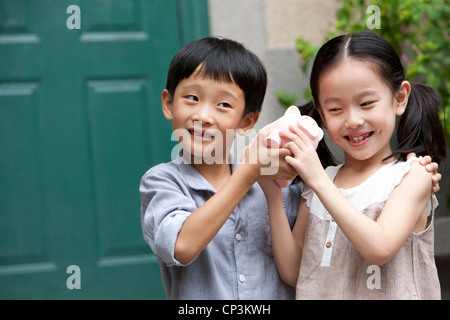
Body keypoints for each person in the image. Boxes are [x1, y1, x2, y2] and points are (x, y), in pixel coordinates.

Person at [259, 31, 446, 299]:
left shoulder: (413, 176)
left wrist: (318, 181)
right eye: (335, 109)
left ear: (400, 98)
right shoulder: (320, 183)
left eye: (367, 103)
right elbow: (294, 270)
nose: (353, 120)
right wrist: (272, 193)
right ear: (320, 112)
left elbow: (379, 248)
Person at [139, 37, 300, 300]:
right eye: (192, 98)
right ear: (168, 104)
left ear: (246, 121)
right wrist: (248, 174)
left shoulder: (275, 185)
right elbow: (182, 246)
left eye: (223, 104)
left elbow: (299, 266)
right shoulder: (161, 181)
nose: (203, 115)